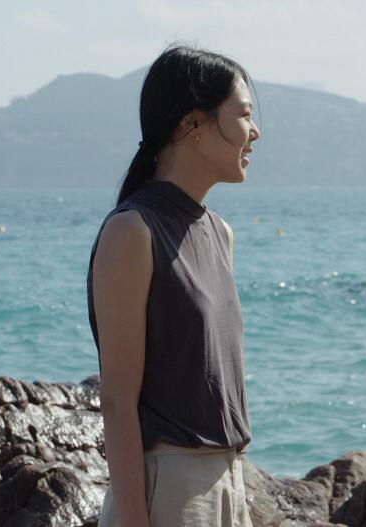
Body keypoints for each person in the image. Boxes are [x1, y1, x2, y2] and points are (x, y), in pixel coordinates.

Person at [87, 44, 260, 527]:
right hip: (168, 491)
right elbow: (118, 402)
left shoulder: (220, 233)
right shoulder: (131, 231)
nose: (255, 131)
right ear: (193, 124)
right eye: (244, 114)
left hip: (230, 483)